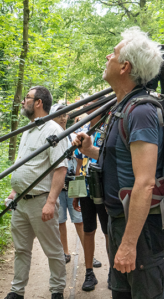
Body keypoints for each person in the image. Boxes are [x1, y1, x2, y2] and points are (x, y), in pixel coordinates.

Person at [72, 26, 164, 299]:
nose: (107, 57)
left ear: (125, 66)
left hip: (139, 229)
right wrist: (91, 150)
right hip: (119, 222)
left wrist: (129, 243)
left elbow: (146, 181)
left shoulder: (142, 112)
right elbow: (122, 160)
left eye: (112, 54)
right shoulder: (122, 108)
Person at [5, 86, 68, 299]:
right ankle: (17, 291)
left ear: (38, 102)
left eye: (28, 98)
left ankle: (57, 291)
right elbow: (23, 164)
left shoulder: (53, 131)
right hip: (20, 202)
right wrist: (14, 191)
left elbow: (61, 168)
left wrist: (51, 202)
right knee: (21, 250)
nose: (24, 102)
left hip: (40, 201)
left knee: (52, 250)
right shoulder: (28, 130)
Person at [72, 97, 110, 291]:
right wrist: (77, 193)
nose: (87, 106)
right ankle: (89, 273)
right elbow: (79, 166)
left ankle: (114, 272)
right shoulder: (84, 131)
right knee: (88, 229)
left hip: (104, 190)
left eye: (92, 104)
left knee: (108, 230)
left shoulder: (109, 129)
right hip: (86, 190)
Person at [51, 104, 84, 264]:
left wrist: (79, 182)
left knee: (79, 218)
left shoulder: (73, 135)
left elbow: (80, 160)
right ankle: (65, 252)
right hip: (57, 186)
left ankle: (89, 253)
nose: (63, 118)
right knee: (60, 220)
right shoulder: (50, 137)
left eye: (65, 115)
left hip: (73, 182)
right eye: (59, 115)